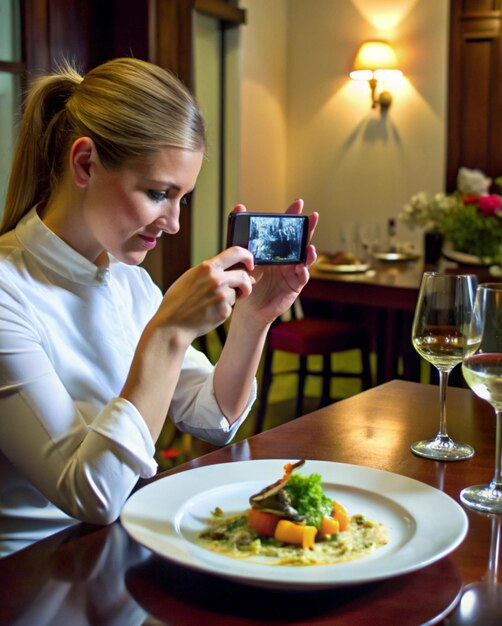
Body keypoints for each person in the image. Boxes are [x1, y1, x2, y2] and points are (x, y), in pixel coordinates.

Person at [0, 57, 318, 554]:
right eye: (157, 194)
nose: (172, 222)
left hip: (117, 555)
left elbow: (213, 418)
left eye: (182, 199)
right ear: (84, 164)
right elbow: (93, 494)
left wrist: (254, 319)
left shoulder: (132, 283)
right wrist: (168, 334)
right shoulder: (6, 292)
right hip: (30, 577)